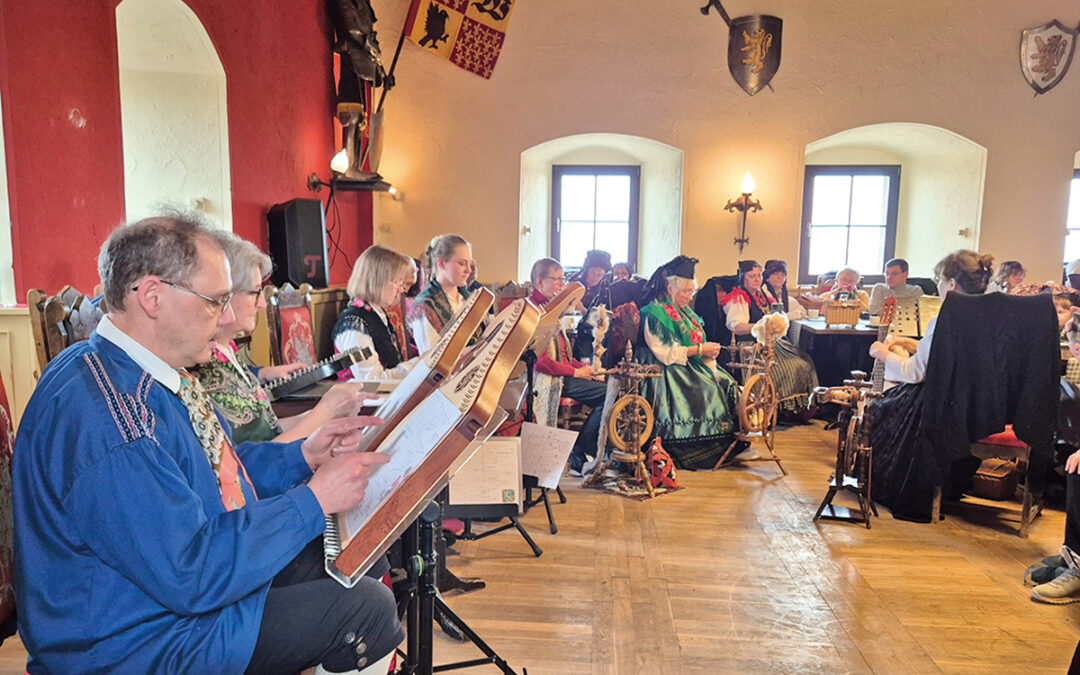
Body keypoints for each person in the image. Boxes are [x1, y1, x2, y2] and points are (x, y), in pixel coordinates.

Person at [13, 215, 403, 674]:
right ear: (152, 296)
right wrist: (314, 499)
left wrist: (302, 455)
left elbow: (213, 474)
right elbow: (190, 573)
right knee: (365, 609)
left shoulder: (134, 370)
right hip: (132, 639)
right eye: (214, 301)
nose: (226, 317)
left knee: (352, 560)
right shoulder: (112, 419)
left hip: (161, 597)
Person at [190, 231, 372, 445]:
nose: (262, 304)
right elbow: (252, 458)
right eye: (255, 292)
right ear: (226, 293)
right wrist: (324, 412)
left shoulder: (226, 350)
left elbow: (267, 430)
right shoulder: (201, 362)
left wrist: (331, 416)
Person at [867, 250, 994, 521]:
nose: (937, 284)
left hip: (939, 406)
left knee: (879, 408)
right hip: (981, 406)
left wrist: (883, 352)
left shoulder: (945, 319)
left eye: (939, 279)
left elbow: (916, 373)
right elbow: (943, 357)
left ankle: (879, 482)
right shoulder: (990, 318)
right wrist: (908, 342)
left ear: (951, 283)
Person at [638, 256, 741, 469]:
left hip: (688, 362)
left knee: (727, 382)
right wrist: (700, 350)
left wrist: (704, 353)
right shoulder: (654, 313)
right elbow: (665, 352)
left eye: (691, 292)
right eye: (685, 292)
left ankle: (730, 442)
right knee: (707, 388)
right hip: (664, 367)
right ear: (669, 288)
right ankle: (698, 450)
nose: (688, 297)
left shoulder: (685, 312)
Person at [529, 258, 607, 475]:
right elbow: (541, 362)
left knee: (612, 389)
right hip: (546, 379)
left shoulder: (551, 309)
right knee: (611, 394)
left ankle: (583, 450)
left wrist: (585, 371)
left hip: (562, 375)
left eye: (562, 279)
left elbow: (563, 354)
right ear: (539, 281)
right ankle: (580, 451)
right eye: (556, 279)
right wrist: (575, 372)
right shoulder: (533, 311)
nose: (561, 285)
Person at [722, 260, 818, 417]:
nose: (757, 279)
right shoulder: (739, 297)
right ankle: (777, 408)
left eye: (759, 275)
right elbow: (736, 327)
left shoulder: (762, 295)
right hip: (750, 344)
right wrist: (761, 327)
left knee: (805, 359)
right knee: (791, 365)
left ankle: (798, 408)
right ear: (742, 278)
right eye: (752, 276)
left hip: (768, 341)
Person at [334, 244, 420, 381]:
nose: (402, 290)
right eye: (398, 283)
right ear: (378, 281)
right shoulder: (355, 323)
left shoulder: (377, 313)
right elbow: (372, 381)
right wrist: (418, 366)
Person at [408, 234, 474, 354]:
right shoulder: (424, 305)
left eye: (470, 264)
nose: (468, 270)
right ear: (441, 263)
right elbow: (431, 358)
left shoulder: (468, 298)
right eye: (462, 263)